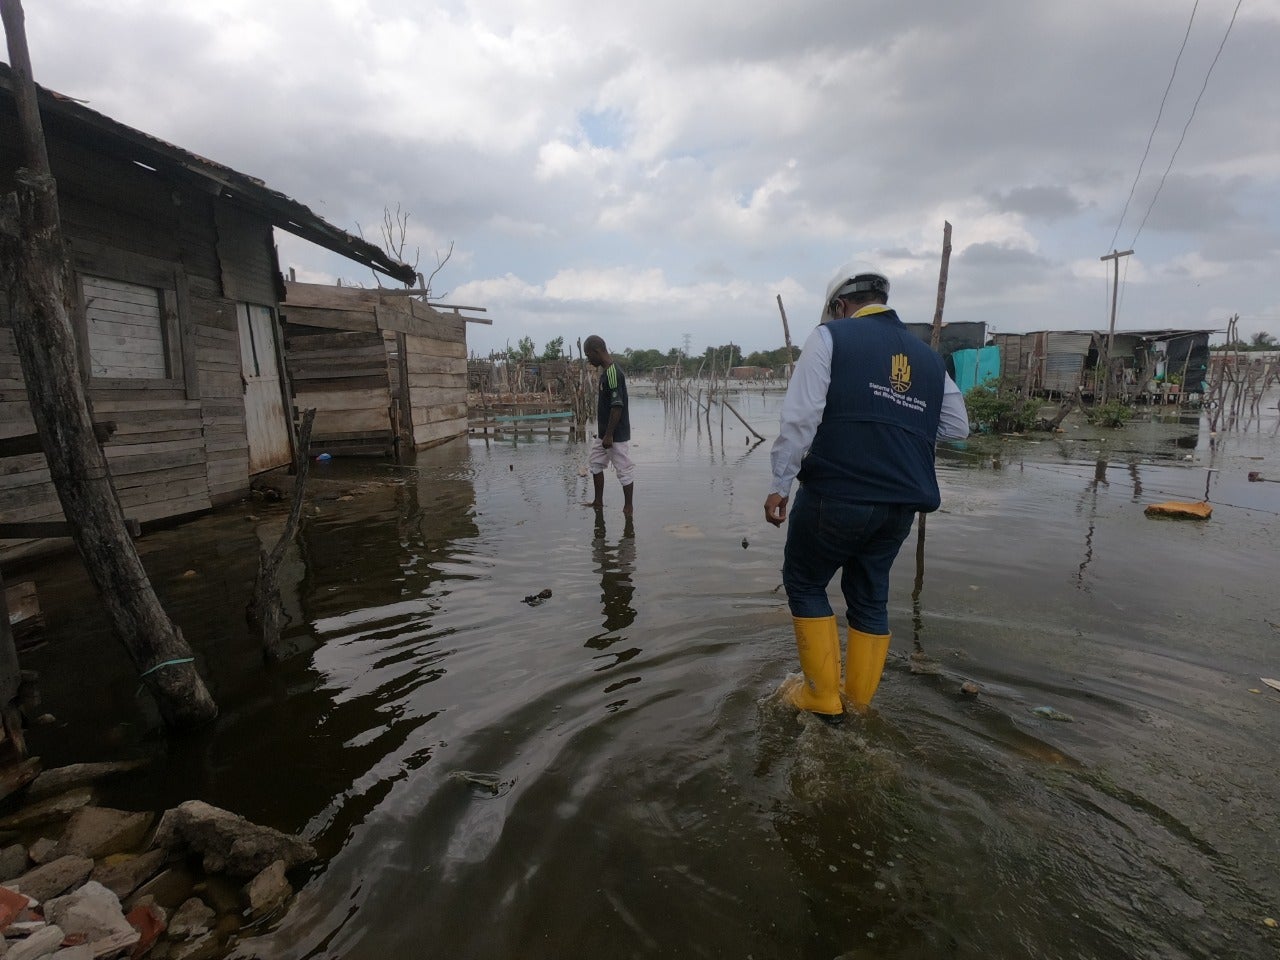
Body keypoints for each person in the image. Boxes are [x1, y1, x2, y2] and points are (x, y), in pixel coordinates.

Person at [764, 269, 969, 723]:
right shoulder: (930, 359)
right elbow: (957, 426)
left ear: (841, 306)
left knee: (804, 581)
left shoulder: (830, 337)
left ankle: (821, 698)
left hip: (837, 494)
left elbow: (800, 420)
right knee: (870, 598)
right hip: (899, 508)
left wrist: (780, 485)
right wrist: (895, 418)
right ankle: (857, 704)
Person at [583, 335, 635, 514]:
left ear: (597, 351)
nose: (589, 360)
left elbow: (617, 405)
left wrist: (610, 434)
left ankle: (628, 507)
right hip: (604, 433)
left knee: (623, 469)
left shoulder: (613, 373)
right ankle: (598, 502)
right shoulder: (606, 372)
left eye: (589, 355)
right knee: (595, 464)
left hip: (615, 434)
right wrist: (604, 434)